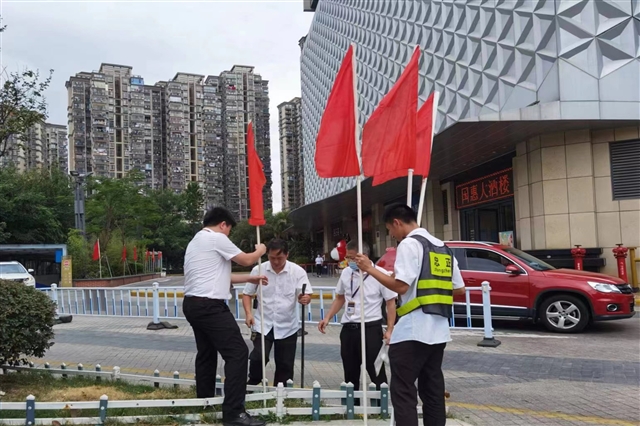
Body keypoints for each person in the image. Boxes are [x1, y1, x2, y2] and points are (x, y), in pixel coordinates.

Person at [355, 204, 465, 426]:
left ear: (397, 222)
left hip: (412, 331)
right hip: (438, 332)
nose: (392, 235)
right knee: (432, 391)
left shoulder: (409, 244)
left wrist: (369, 268)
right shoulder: (442, 247)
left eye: (390, 230)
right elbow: (459, 289)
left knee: (403, 391)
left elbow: (401, 287)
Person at [182, 207, 268, 426]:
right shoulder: (216, 238)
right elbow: (246, 260)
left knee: (207, 353)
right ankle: (234, 413)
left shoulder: (196, 241)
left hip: (193, 304)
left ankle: (204, 402)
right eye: (229, 229)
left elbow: (221, 276)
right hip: (210, 307)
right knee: (238, 353)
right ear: (223, 224)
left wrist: (252, 278)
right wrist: (260, 250)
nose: (228, 234)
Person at [318, 241, 397, 398]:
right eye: (348, 257)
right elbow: (340, 298)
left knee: (376, 372)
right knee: (350, 373)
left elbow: (390, 303)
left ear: (364, 256)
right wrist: (327, 317)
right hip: (349, 329)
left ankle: (380, 406)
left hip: (370, 329)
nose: (350, 261)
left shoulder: (380, 274)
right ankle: (352, 406)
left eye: (353, 258)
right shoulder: (346, 273)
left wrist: (390, 329)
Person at [242, 239, 313, 386]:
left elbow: (305, 293)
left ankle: (280, 392)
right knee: (258, 357)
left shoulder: (297, 271)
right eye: (272, 258)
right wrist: (248, 313)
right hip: (263, 323)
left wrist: (305, 298)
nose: (275, 262)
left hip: (287, 325)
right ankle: (252, 384)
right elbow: (247, 293)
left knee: (285, 364)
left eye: (279, 258)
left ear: (287, 255)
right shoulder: (259, 270)